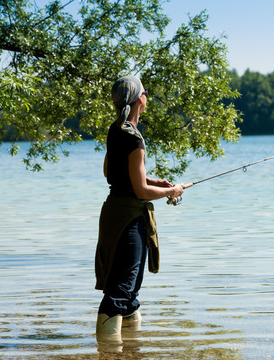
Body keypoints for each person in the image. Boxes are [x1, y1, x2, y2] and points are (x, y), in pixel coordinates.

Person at [95, 76, 184, 342]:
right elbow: (141, 192)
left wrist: (154, 180)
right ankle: (108, 353)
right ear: (139, 100)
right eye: (145, 93)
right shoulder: (134, 138)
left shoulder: (115, 129)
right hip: (129, 219)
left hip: (113, 214)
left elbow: (110, 171)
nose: (147, 98)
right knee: (122, 289)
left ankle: (131, 348)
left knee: (129, 291)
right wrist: (171, 191)